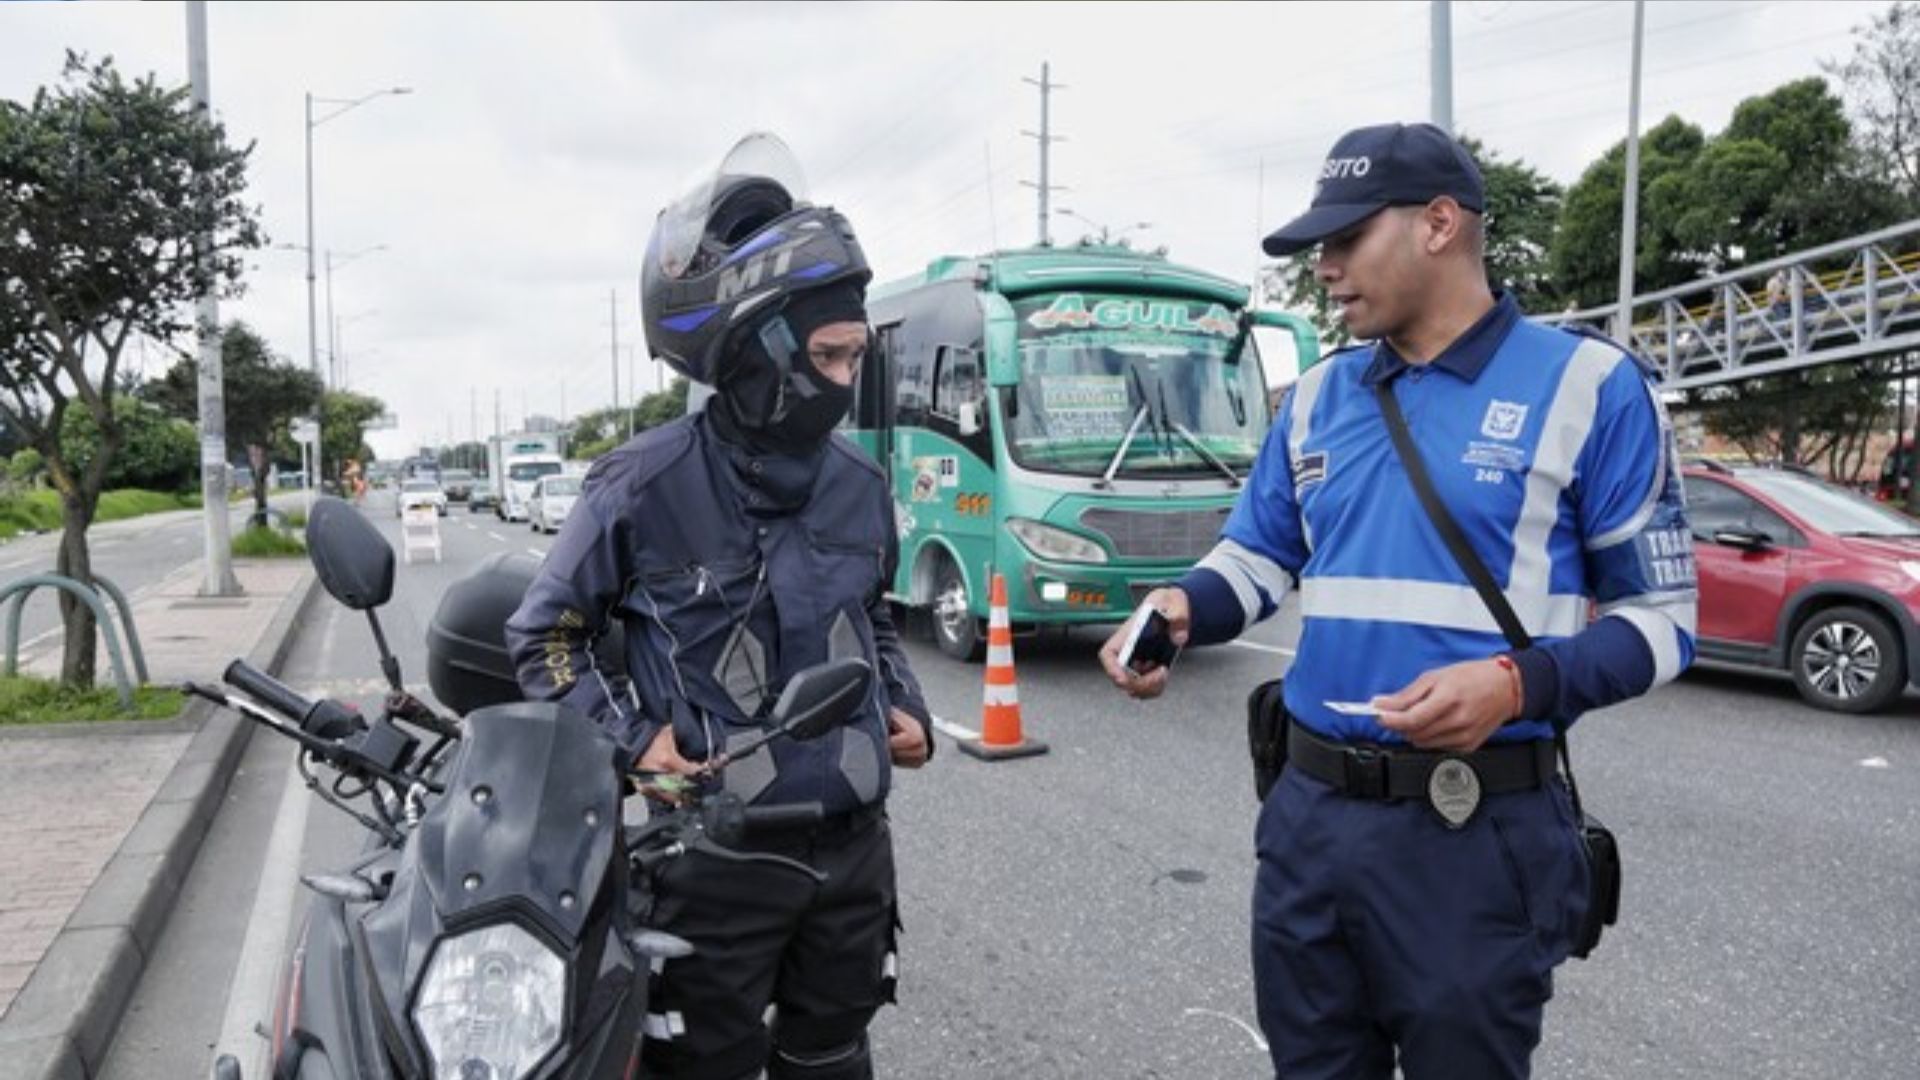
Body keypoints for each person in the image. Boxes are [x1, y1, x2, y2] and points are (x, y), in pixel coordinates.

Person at [1100, 122, 1697, 1079]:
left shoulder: (1590, 386)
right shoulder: (1318, 397)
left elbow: (1664, 623)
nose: (1325, 269)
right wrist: (1182, 608)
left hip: (1474, 836)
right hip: (1307, 825)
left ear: (1439, 224)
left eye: (1346, 241)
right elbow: (1259, 558)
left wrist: (1515, 685)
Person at [505, 133, 934, 1080]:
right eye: (826, 355)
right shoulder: (640, 487)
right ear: (753, 356)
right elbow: (548, 636)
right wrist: (630, 739)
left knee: (834, 1060)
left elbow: (871, 618)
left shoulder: (860, 486)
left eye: (855, 353)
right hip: (711, 862)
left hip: (854, 857)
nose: (846, 378)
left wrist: (901, 705)